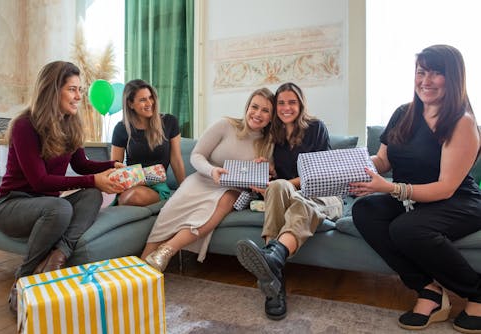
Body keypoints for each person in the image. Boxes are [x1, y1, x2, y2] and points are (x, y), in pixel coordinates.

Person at [350, 45, 481, 333]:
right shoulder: (403, 113)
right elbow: (383, 160)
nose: (426, 80)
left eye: (436, 73)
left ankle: (477, 291)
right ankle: (428, 290)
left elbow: (446, 188)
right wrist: (355, 165)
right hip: (413, 197)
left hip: (457, 201)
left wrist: (390, 188)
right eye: (421, 72)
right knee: (365, 210)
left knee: (407, 228)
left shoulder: (462, 122)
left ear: (454, 78)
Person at [0, 61, 125, 313]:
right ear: (53, 90)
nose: (78, 97)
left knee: (92, 196)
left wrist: (113, 165)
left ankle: (56, 259)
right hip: (13, 205)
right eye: (72, 90)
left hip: (47, 205)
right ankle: (24, 278)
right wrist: (92, 179)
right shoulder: (24, 125)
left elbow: (82, 165)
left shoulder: (70, 123)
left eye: (80, 90)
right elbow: (39, 182)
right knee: (61, 207)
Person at [235, 82, 342, 320]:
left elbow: (318, 175)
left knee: (301, 202)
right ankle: (274, 267)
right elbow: (276, 181)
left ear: (300, 104)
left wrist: (283, 184)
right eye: (281, 103)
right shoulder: (274, 135)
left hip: (324, 195)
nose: (286, 108)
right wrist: (267, 174)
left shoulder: (316, 128)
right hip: (292, 194)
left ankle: (273, 264)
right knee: (279, 186)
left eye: (291, 102)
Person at [140, 87, 274, 272]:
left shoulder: (270, 143)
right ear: (247, 107)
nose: (258, 113)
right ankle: (140, 271)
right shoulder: (225, 125)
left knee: (226, 199)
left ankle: (166, 251)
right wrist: (212, 171)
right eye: (255, 107)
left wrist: (264, 169)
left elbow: (268, 176)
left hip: (233, 189)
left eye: (265, 110)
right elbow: (197, 155)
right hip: (203, 179)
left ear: (271, 116)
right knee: (168, 216)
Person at [111, 80, 185, 206]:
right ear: (130, 104)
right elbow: (115, 166)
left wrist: (185, 190)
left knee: (132, 198)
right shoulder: (121, 128)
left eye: (151, 98)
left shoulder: (169, 122)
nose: (149, 103)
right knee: (128, 197)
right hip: (133, 182)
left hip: (157, 185)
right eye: (142, 100)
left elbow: (176, 160)